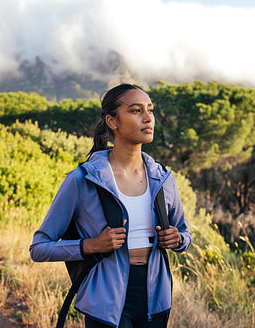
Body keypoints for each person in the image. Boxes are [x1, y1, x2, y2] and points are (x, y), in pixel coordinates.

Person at [29, 83, 192, 327]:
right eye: (136, 111)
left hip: (156, 299)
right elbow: (39, 248)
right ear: (112, 121)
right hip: (105, 302)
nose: (148, 118)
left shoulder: (163, 178)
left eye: (151, 110)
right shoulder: (83, 180)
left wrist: (177, 240)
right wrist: (91, 245)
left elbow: (185, 233)